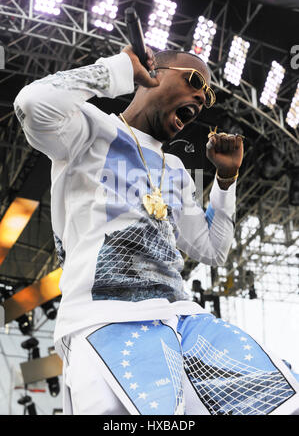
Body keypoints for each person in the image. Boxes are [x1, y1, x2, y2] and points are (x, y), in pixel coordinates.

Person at [14, 45, 299, 415]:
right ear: (153, 75)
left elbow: (212, 250)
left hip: (182, 319)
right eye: (194, 80)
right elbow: (33, 103)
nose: (201, 96)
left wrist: (226, 181)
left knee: (281, 397)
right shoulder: (91, 130)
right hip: (104, 319)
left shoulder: (176, 169)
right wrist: (117, 70)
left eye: (207, 94)